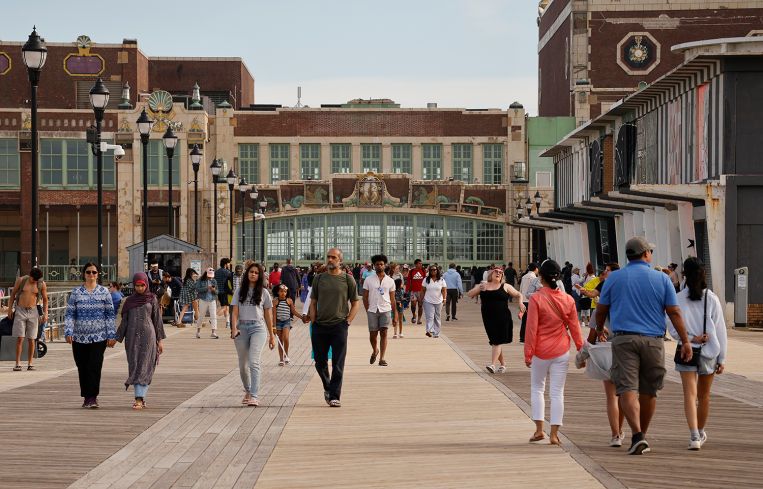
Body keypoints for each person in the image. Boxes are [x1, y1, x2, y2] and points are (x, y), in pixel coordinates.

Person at [595, 237, 693, 455]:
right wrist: (685, 341)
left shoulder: (614, 278)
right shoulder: (662, 279)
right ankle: (641, 435)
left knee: (626, 389)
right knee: (649, 391)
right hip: (654, 340)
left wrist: (600, 329)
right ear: (646, 254)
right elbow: (674, 312)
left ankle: (637, 434)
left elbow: (601, 309)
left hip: (623, 339)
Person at [667, 257, 727, 450]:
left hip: (687, 351)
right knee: (704, 396)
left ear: (684, 274)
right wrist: (722, 358)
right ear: (703, 274)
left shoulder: (677, 298)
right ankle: (700, 431)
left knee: (689, 394)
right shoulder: (712, 298)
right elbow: (720, 330)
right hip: (709, 353)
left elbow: (672, 326)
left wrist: (690, 338)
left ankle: (693, 436)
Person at [524, 260, 584, 446]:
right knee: (557, 393)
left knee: (537, 389)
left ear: (541, 277)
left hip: (540, 351)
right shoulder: (568, 300)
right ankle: (554, 435)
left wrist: (528, 353)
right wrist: (581, 350)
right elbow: (575, 328)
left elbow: (531, 328)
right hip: (561, 351)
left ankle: (539, 430)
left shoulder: (536, 298)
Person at [308, 248, 360, 407]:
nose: (330, 259)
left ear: (340, 260)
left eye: (333, 257)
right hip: (319, 326)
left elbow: (355, 302)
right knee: (319, 361)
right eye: (328, 257)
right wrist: (313, 320)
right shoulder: (319, 278)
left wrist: (348, 321)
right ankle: (327, 386)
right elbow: (313, 302)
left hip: (339, 326)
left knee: (338, 362)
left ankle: (335, 396)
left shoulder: (348, 279)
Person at [64, 263, 117, 408]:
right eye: (88, 272)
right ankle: (86, 396)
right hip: (79, 336)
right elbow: (70, 314)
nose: (91, 275)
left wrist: (112, 334)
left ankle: (92, 397)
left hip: (99, 336)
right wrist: (68, 331)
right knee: (82, 366)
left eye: (94, 272)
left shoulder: (104, 292)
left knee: (94, 365)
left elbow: (110, 315)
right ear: (84, 274)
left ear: (98, 274)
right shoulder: (76, 292)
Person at [116, 272, 165, 410]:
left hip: (148, 337)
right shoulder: (129, 301)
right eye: (137, 286)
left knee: (145, 366)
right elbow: (124, 322)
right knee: (135, 365)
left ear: (146, 285)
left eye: (142, 285)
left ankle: (139, 398)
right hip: (131, 337)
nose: (139, 288)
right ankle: (140, 397)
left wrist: (160, 341)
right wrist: (116, 338)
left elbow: (157, 321)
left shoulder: (152, 299)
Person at [231, 262, 276, 407]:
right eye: (251, 272)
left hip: (258, 328)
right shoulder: (239, 291)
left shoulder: (264, 293)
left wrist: (272, 335)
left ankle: (254, 395)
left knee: (253, 361)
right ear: (247, 274)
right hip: (242, 328)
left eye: (256, 273)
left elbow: (268, 314)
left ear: (260, 275)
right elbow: (235, 311)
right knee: (243, 365)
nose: (253, 274)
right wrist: (233, 328)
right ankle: (248, 390)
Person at [467, 267, 525, 373]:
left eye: (500, 273)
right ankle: (503, 364)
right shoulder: (483, 286)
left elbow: (519, 294)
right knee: (495, 341)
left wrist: (520, 303)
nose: (498, 273)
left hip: (503, 317)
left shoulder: (505, 286)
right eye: (496, 272)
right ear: (491, 274)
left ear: (502, 276)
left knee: (497, 341)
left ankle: (493, 365)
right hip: (488, 318)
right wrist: (479, 287)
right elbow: (470, 294)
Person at [7, 267, 48, 371]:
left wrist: (45, 313)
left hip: (33, 311)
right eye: (32, 279)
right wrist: (9, 309)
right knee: (20, 338)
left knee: (32, 339)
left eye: (35, 280)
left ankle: (30, 363)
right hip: (20, 310)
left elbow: (45, 300)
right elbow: (12, 295)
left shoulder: (41, 284)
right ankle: (17, 363)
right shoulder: (21, 280)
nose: (33, 281)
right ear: (29, 275)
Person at [362, 254, 397, 367]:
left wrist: (395, 314)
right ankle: (375, 350)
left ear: (385, 265)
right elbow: (364, 297)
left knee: (384, 333)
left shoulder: (390, 281)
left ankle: (382, 358)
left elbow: (392, 299)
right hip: (372, 310)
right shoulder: (368, 279)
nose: (379, 266)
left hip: (385, 309)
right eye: (377, 264)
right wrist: (368, 309)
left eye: (381, 264)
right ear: (374, 265)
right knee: (373, 334)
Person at [272, 284, 304, 366]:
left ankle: (286, 355)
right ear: (278, 292)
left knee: (285, 338)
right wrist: (274, 326)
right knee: (280, 341)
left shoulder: (289, 300)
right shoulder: (275, 301)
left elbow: (293, 312)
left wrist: (302, 317)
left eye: (285, 291)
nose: (283, 293)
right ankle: (281, 359)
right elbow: (274, 315)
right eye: (281, 291)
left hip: (286, 322)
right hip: (278, 323)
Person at [422, 265, 447, 338]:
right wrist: (421, 299)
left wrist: (444, 299)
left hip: (439, 301)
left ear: (437, 271)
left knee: (437, 317)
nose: (433, 271)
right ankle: (429, 330)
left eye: (435, 270)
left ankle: (436, 333)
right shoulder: (426, 279)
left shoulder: (441, 280)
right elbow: (422, 290)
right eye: (432, 270)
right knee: (429, 317)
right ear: (429, 271)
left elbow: (444, 290)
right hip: (428, 301)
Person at [519, 263, 540, 343]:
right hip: (531, 301)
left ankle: (522, 338)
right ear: (536, 268)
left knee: (524, 320)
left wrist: (520, 301)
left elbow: (520, 289)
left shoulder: (524, 277)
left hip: (524, 301)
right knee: (532, 321)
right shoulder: (534, 278)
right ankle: (530, 338)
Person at [196, 267, 219, 339]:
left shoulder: (214, 281)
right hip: (203, 299)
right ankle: (198, 332)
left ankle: (213, 332)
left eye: (211, 276)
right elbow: (197, 289)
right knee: (201, 316)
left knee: (213, 316)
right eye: (209, 276)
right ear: (206, 274)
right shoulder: (200, 280)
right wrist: (206, 288)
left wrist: (214, 290)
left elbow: (217, 292)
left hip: (212, 300)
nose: (210, 277)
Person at [215, 258, 234, 329]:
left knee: (226, 308)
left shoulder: (216, 272)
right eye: (228, 263)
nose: (229, 265)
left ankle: (227, 322)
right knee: (224, 307)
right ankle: (213, 318)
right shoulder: (227, 272)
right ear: (225, 264)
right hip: (225, 292)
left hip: (218, 292)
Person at [406, 259, 426, 324]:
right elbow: (408, 281)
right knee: (413, 305)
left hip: (421, 291)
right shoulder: (411, 271)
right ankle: (414, 315)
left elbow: (426, 280)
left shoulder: (423, 271)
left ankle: (419, 319)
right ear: (416, 264)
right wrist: (407, 290)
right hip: (413, 291)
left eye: (421, 263)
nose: (421, 265)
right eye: (419, 263)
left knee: (420, 305)